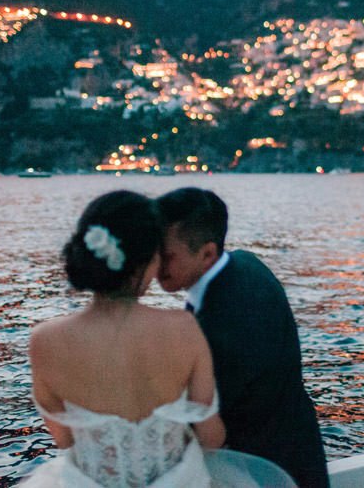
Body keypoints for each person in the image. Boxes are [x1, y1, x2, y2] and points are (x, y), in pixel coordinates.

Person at [23, 190, 292, 487]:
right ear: (149, 260)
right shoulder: (183, 328)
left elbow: (65, 438)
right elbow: (210, 436)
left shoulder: (44, 340)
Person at [156, 187, 330, 488]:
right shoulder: (246, 264)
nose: (156, 265)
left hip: (263, 469)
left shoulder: (223, 327)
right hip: (295, 444)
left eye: (167, 256)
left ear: (207, 253)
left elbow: (208, 425)